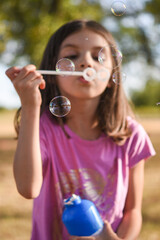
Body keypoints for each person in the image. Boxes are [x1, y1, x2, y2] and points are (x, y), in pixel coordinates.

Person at [5, 19, 155, 240]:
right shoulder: (45, 128)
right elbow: (28, 189)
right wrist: (30, 106)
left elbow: (132, 212)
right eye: (72, 56)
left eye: (98, 56)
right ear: (53, 72)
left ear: (112, 76)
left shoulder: (131, 135)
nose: (86, 62)